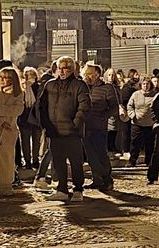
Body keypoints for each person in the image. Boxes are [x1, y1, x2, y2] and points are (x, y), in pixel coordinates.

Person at [37, 56, 89, 202]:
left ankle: (78, 189)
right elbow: (42, 106)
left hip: (72, 132)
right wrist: (45, 125)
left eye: (66, 68)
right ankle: (62, 189)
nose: (62, 71)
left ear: (72, 70)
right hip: (54, 131)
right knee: (58, 162)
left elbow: (84, 106)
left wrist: (76, 123)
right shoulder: (50, 85)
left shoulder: (79, 85)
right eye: (60, 68)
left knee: (75, 162)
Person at [0, 67, 26, 197]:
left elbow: (18, 109)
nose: (4, 80)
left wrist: (1, 110)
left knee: (6, 159)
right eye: (2, 77)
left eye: (7, 78)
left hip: (9, 129)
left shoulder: (18, 93)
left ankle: (5, 185)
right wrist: (0, 118)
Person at [82, 62, 120, 192]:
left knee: (101, 153)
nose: (88, 76)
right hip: (85, 125)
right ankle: (96, 179)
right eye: (86, 74)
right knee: (90, 154)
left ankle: (107, 179)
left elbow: (114, 106)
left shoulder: (107, 88)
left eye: (90, 74)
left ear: (97, 74)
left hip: (99, 126)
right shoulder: (83, 87)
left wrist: (103, 116)